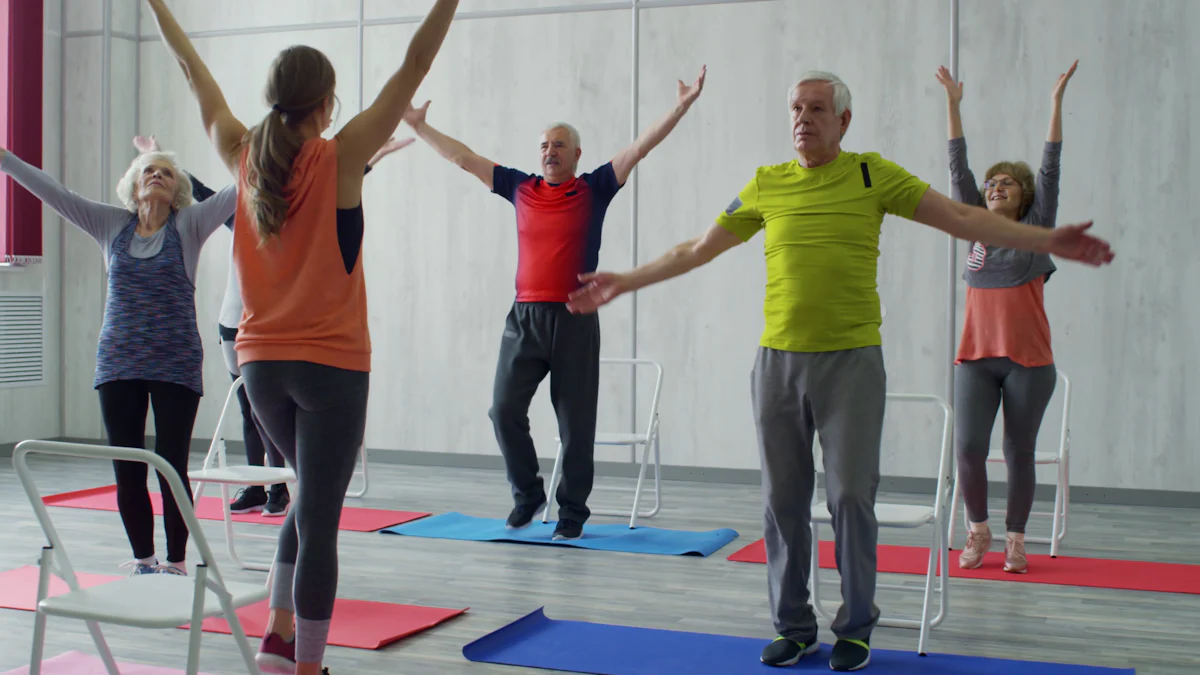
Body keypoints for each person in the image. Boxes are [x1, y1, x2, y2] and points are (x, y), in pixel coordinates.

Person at [564, 71, 1113, 671]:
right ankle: (794, 624)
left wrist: (1045, 237)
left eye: (817, 108)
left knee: (852, 496)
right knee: (782, 500)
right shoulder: (766, 184)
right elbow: (697, 249)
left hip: (851, 363)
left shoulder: (874, 174)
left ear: (844, 121)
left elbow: (963, 219)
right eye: (796, 107)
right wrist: (626, 279)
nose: (803, 117)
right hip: (776, 363)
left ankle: (855, 626)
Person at [144, 0, 458, 672]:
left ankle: (280, 637)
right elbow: (417, 61)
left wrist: (156, 7)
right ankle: (309, 663)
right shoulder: (341, 155)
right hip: (330, 369)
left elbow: (191, 68)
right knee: (320, 513)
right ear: (327, 101)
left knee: (312, 496)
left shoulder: (240, 152)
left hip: (259, 367)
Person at [400, 65, 707, 540]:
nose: (550, 151)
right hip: (524, 318)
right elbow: (463, 158)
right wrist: (419, 127)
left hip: (575, 317)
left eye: (559, 144)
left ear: (576, 154)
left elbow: (640, 146)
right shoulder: (520, 188)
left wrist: (681, 105)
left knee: (575, 427)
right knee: (503, 410)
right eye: (544, 144)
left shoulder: (595, 188)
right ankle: (527, 495)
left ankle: (572, 515)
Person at [134, 134, 414, 519]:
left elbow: (329, 185)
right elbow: (199, 191)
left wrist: (374, 153)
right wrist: (154, 155)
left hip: (268, 328)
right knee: (249, 410)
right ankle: (259, 487)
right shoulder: (240, 214)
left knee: (267, 413)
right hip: (233, 324)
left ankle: (278, 487)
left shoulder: (300, 218)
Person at [1, 144, 236, 578]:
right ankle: (145, 562)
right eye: (149, 170)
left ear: (178, 188)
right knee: (128, 467)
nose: (157, 176)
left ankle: (178, 564)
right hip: (118, 361)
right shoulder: (112, 224)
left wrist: (279, 146)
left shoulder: (190, 223)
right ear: (134, 183)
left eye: (166, 172)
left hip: (176, 360)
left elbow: (237, 189)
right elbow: (58, 194)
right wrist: (6, 160)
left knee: (171, 465)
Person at [935, 61, 1078, 574]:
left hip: (1028, 362)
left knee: (1019, 451)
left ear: (1025, 198)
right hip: (975, 357)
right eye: (991, 183)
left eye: (1007, 184)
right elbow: (958, 169)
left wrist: (1056, 104)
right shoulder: (974, 225)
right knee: (968, 449)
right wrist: (953, 106)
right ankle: (978, 532)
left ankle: (1016, 541)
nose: (995, 187)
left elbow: (1050, 167)